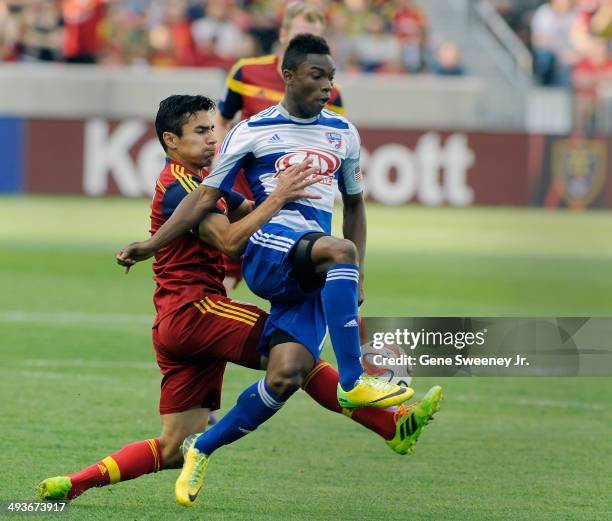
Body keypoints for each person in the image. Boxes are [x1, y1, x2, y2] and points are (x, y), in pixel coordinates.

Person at [38, 95, 442, 502]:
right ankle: (390, 424)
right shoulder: (180, 190)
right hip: (197, 311)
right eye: (200, 131)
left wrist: (295, 227)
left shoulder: (201, 185)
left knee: (173, 447)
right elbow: (232, 241)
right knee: (296, 359)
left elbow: (252, 214)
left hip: (175, 324)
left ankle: (73, 485)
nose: (213, 139)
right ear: (171, 140)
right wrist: (280, 196)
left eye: (213, 129)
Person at [215, 3, 345, 290]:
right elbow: (223, 120)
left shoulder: (332, 93)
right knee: (226, 269)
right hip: (244, 188)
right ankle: (216, 325)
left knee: (308, 272)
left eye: (315, 37)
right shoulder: (246, 72)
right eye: (300, 34)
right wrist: (220, 164)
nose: (307, 43)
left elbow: (335, 146)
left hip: (294, 196)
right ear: (284, 34)